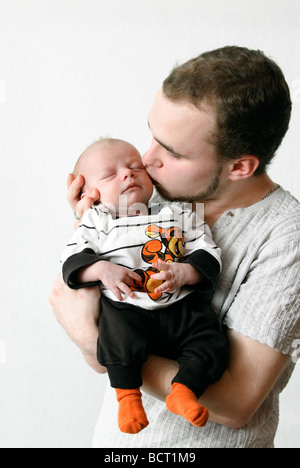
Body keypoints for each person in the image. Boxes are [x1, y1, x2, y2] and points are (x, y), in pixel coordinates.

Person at [49, 46, 300, 448]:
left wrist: (91, 338)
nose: (146, 160)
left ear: (240, 167)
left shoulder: (287, 237)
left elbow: (235, 404)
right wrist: (89, 229)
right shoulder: (149, 198)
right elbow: (95, 360)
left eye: (174, 152)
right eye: (152, 136)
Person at [60, 138, 228, 434]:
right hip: (127, 307)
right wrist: (101, 269)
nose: (128, 174)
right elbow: (72, 260)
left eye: (136, 166)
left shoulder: (177, 214)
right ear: (87, 193)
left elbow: (209, 252)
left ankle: (185, 391)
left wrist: (187, 272)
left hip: (181, 305)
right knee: (116, 337)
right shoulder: (97, 222)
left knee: (211, 342)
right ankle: (127, 397)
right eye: (111, 174)